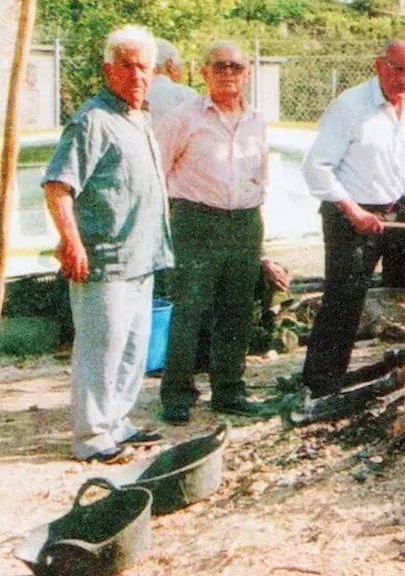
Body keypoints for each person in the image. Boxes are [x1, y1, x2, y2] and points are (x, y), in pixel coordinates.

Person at [301, 40, 405, 396]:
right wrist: (354, 211)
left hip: (392, 214)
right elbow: (317, 167)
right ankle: (321, 385)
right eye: (398, 69)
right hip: (349, 215)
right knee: (345, 296)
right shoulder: (350, 106)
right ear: (380, 66)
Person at [41, 25, 174, 462]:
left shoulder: (138, 117)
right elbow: (58, 186)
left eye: (144, 67)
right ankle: (92, 438)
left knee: (133, 349)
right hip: (104, 260)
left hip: (141, 257)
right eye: (127, 66)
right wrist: (71, 241)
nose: (136, 75)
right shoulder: (92, 119)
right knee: (102, 350)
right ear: (107, 69)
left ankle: (118, 422)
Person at [155, 41, 288, 424]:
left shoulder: (257, 121)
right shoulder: (183, 118)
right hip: (197, 222)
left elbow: (259, 175)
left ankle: (229, 391)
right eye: (220, 66)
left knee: (236, 312)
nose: (228, 73)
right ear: (204, 72)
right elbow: (158, 172)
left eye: (236, 67)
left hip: (244, 222)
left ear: (246, 74)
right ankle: (178, 395)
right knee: (190, 310)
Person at [146, 39, 199, 118]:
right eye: (180, 66)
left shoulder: (131, 97)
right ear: (170, 65)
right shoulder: (185, 95)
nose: (182, 72)